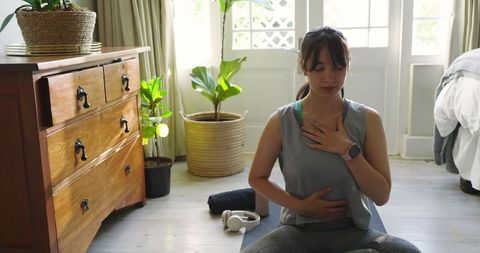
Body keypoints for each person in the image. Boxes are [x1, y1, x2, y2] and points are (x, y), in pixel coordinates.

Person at [241, 26, 421, 253]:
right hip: (298, 233)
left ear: (348, 65)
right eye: (318, 68)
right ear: (303, 66)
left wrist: (347, 149)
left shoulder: (368, 119)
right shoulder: (281, 121)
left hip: (353, 233)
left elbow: (381, 195)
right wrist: (301, 206)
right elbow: (257, 178)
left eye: (338, 66)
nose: (330, 77)